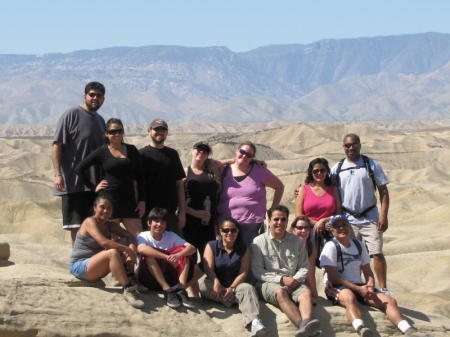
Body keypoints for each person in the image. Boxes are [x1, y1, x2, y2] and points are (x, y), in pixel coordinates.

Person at [319, 215, 421, 337]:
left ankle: (407, 329)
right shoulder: (331, 247)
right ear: (332, 230)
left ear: (350, 227)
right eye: (337, 226)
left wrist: (370, 285)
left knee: (388, 301)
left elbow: (367, 271)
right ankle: (361, 328)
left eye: (344, 225)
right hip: (337, 286)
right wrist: (359, 289)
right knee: (349, 298)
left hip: (359, 285)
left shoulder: (359, 246)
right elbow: (333, 278)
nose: (342, 228)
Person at [330, 133, 390, 293]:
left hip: (370, 218)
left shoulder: (370, 164)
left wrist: (383, 216)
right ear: (343, 147)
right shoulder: (337, 168)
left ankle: (383, 289)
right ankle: (357, 288)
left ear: (360, 145)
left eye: (354, 144)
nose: (351, 148)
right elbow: (329, 190)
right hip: (348, 220)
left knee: (376, 253)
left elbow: (384, 191)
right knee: (350, 256)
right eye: (347, 145)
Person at [251, 205, 320, 337]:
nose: (279, 223)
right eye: (276, 219)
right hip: (268, 284)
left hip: (293, 282)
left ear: (287, 221)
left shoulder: (297, 242)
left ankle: (306, 324)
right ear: (269, 221)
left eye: (283, 220)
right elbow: (258, 271)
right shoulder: (258, 242)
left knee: (306, 292)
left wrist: (294, 280)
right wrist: (281, 280)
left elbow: (305, 266)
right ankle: (303, 326)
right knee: (281, 292)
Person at [52, 82, 106, 243]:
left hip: (95, 185)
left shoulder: (101, 121)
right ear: (85, 96)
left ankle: (91, 265)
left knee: (96, 225)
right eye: (92, 94)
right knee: (77, 228)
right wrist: (57, 174)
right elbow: (57, 145)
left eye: (99, 95)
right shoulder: (71, 114)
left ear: (104, 99)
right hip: (74, 183)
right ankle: (79, 263)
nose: (95, 98)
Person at [69, 196, 144, 309]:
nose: (105, 211)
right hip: (80, 266)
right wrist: (127, 250)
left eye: (109, 208)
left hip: (96, 266)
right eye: (102, 207)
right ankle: (127, 288)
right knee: (113, 252)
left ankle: (130, 276)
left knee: (124, 241)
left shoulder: (110, 225)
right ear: (95, 208)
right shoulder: (89, 221)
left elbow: (129, 235)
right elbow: (104, 243)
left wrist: (132, 248)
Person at [75, 118, 145, 237]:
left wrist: (142, 200)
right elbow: (79, 169)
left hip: (129, 201)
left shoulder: (132, 150)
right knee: (114, 241)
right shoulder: (102, 151)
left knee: (139, 238)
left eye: (120, 131)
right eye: (112, 132)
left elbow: (141, 177)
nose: (117, 134)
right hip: (109, 202)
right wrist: (93, 187)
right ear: (106, 134)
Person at [201, 218, 267, 337]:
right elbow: (208, 268)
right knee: (202, 286)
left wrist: (232, 288)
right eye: (226, 230)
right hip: (216, 284)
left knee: (247, 288)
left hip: (235, 286)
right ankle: (236, 301)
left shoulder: (243, 248)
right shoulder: (211, 246)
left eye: (233, 230)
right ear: (220, 231)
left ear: (238, 232)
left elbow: (243, 272)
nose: (229, 233)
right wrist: (215, 281)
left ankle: (254, 322)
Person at [217, 141, 284, 246]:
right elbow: (209, 164)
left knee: (250, 258)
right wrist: (231, 160)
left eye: (249, 155)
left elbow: (279, 186)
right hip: (226, 224)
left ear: (252, 157)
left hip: (251, 225)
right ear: (236, 151)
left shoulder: (259, 170)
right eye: (242, 152)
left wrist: (273, 210)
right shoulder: (223, 169)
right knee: (228, 258)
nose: (244, 156)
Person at [136, 207, 201, 309]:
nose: (159, 225)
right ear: (149, 223)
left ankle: (181, 289)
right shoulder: (143, 236)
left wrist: (177, 255)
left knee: (184, 254)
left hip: (169, 275)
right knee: (149, 255)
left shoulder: (170, 235)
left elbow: (191, 248)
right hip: (148, 278)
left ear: (166, 225)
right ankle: (167, 290)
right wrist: (166, 257)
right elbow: (141, 249)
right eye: (156, 221)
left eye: (162, 222)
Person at [139, 119, 186, 232]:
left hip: (169, 214)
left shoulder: (173, 154)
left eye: (163, 130)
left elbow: (179, 185)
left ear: (167, 133)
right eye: (157, 129)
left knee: (173, 248)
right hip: (148, 215)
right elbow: (136, 184)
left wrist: (182, 214)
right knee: (147, 248)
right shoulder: (141, 155)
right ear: (149, 131)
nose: (160, 132)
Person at [183, 141, 221, 259]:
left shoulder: (212, 171)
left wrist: (256, 162)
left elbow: (236, 162)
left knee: (209, 258)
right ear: (192, 150)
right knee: (189, 257)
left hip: (209, 222)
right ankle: (190, 278)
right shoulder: (185, 172)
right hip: (189, 222)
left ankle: (207, 277)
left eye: (205, 151)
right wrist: (195, 213)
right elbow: (177, 200)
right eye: (198, 149)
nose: (201, 152)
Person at [294, 157, 341, 231]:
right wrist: (316, 223)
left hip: (329, 229)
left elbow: (338, 212)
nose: (319, 173)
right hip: (307, 231)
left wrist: (324, 221)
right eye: (316, 171)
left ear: (327, 171)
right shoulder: (303, 190)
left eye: (322, 170)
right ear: (311, 173)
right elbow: (298, 215)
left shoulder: (333, 190)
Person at [289, 216, 318, 297]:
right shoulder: (286, 245)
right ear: (293, 230)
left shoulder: (310, 247)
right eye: (300, 228)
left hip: (300, 283)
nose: (304, 231)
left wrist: (315, 295)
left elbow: (310, 274)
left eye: (307, 228)